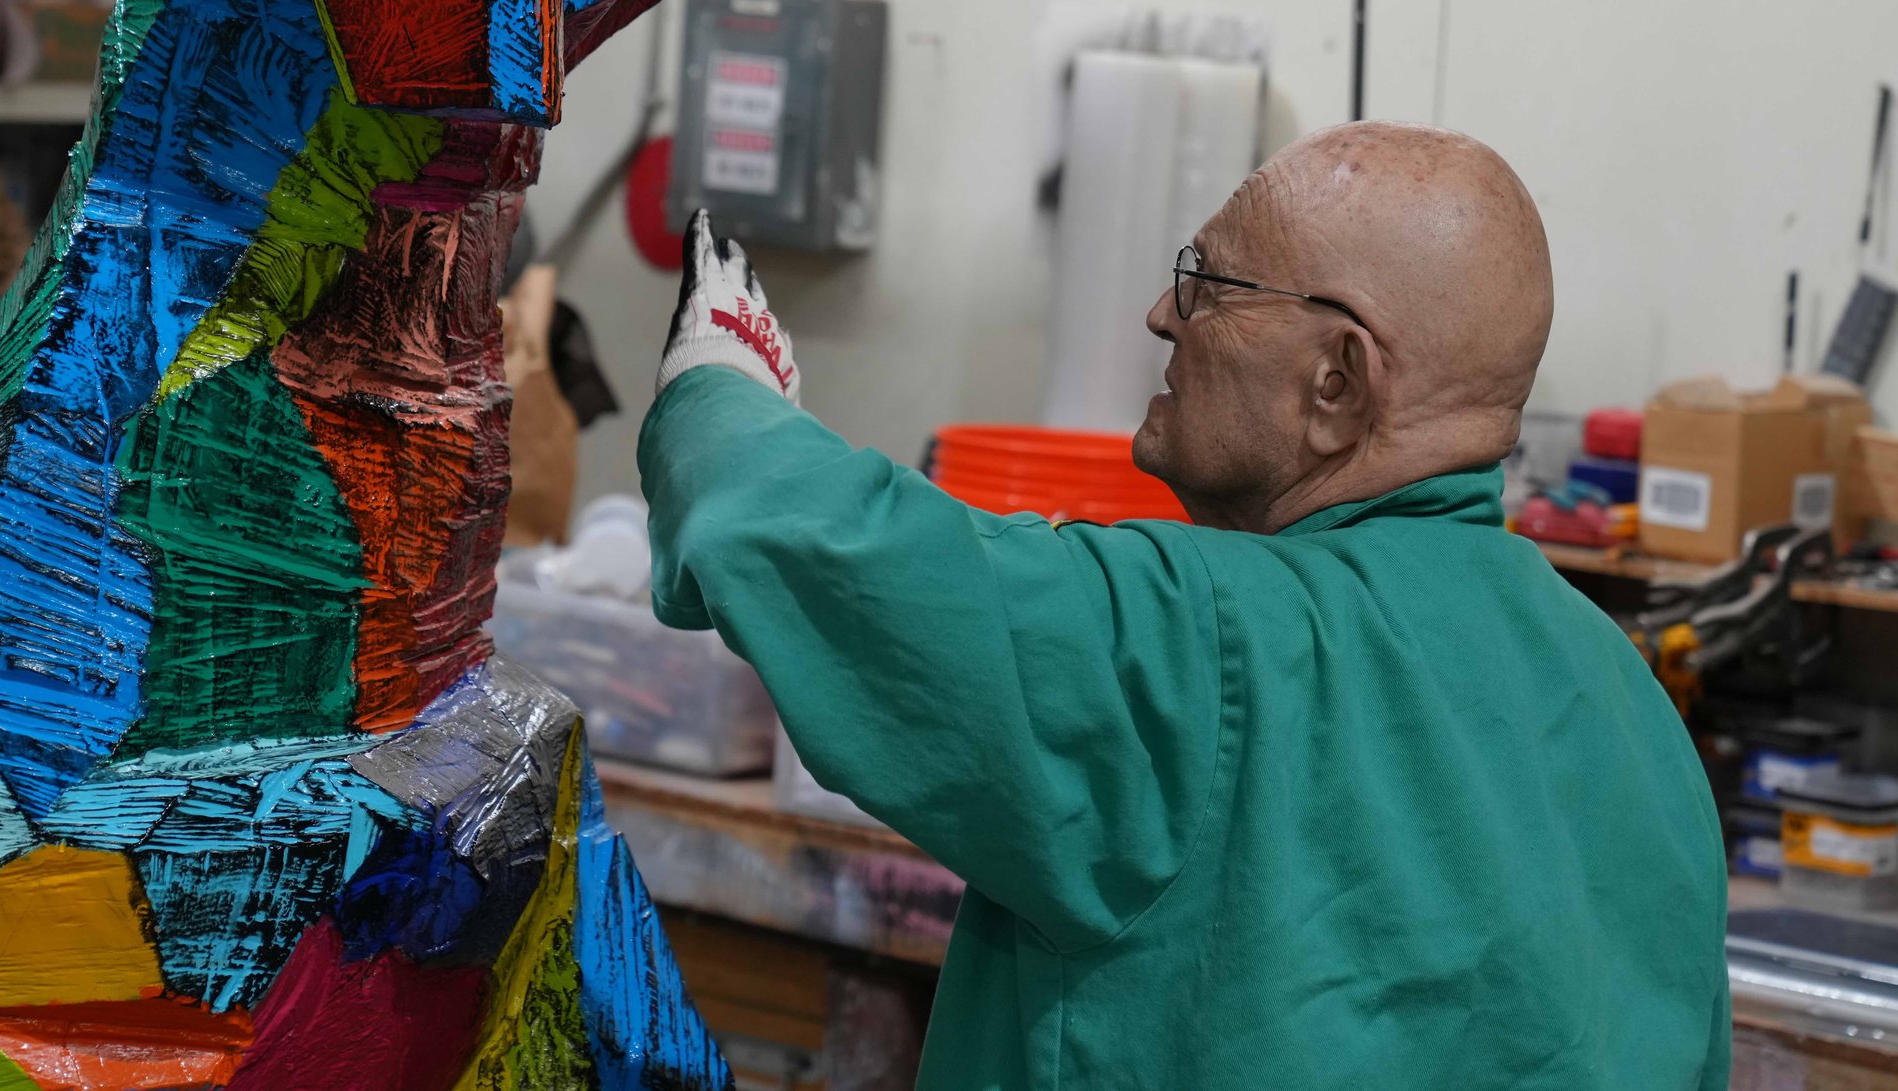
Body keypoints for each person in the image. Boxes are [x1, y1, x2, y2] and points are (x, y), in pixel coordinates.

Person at [640, 122, 1730, 1089]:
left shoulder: (1203, 646)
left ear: (1339, 382)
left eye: (1211, 283)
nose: (1166, 315)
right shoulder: (1628, 700)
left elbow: (807, 540)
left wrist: (718, 385)